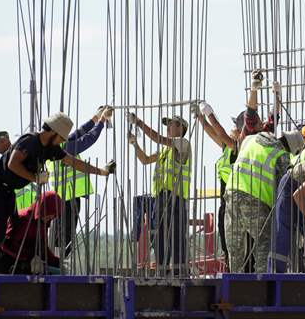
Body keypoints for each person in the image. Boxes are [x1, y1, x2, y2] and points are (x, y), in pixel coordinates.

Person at [0, 112, 116, 274]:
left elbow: (72, 161)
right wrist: (35, 178)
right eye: (61, 138)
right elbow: (12, 164)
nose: (62, 142)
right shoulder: (30, 141)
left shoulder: (49, 149)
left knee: (0, 238)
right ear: (53, 132)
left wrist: (102, 172)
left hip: (6, 192)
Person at [224, 128, 304, 273]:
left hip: (231, 193)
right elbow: (282, 193)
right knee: (265, 242)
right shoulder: (282, 156)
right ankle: (261, 281)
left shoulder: (251, 139)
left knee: (235, 245)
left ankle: (233, 282)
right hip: (254, 199)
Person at [127, 113, 191, 276]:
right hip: (161, 199)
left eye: (172, 124)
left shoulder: (183, 144)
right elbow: (145, 159)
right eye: (168, 124)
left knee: (176, 237)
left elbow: (158, 138)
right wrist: (135, 144)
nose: (169, 127)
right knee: (159, 237)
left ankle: (179, 272)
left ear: (181, 128)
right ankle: (162, 271)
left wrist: (140, 123)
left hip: (175, 198)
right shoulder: (164, 151)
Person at [51, 106, 113, 255]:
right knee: (64, 235)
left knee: (61, 234)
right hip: (68, 197)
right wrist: (103, 120)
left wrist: (95, 118)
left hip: (62, 197)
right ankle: (59, 262)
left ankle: (57, 259)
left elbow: (78, 133)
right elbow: (87, 139)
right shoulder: (64, 147)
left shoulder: (57, 144)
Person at [192, 101, 239, 269]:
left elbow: (221, 132)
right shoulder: (227, 147)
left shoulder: (238, 147)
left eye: (235, 126)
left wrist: (209, 113)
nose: (232, 128)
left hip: (234, 198)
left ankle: (233, 265)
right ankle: (228, 261)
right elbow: (214, 134)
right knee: (223, 231)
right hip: (225, 198)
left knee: (232, 234)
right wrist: (200, 119)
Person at [0, 190, 64, 274]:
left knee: (55, 271)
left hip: (25, 265)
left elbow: (42, 249)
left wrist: (56, 262)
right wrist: (29, 257)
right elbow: (7, 244)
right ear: (43, 208)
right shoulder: (22, 218)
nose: (51, 217)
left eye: (54, 215)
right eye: (50, 213)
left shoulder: (41, 224)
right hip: (6, 265)